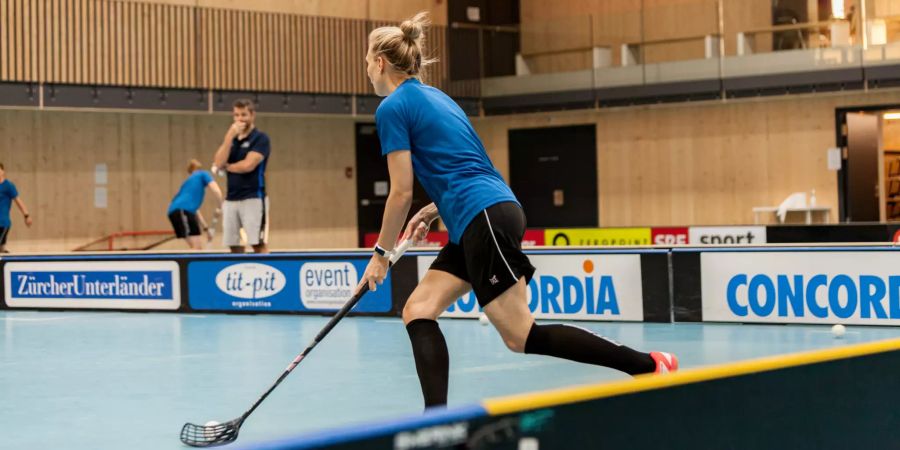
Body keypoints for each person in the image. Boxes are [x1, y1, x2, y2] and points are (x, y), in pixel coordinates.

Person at [359, 12, 678, 410]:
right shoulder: (437, 98)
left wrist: (381, 256)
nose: (366, 67)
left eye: (367, 58)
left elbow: (400, 192)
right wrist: (435, 210)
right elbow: (464, 165)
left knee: (521, 335)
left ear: (381, 62)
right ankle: (435, 419)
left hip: (483, 218)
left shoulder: (392, 108)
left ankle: (648, 365)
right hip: (482, 213)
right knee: (418, 309)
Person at [212, 99, 271, 254]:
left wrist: (228, 167)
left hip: (253, 198)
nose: (240, 119)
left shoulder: (260, 139)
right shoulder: (231, 141)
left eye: (244, 115)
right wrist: (229, 136)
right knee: (233, 244)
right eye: (236, 115)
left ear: (252, 115)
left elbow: (248, 165)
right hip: (231, 199)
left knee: (257, 243)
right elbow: (218, 163)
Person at [167, 159, 224, 250]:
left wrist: (206, 229)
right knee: (196, 248)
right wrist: (221, 205)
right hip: (181, 211)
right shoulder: (203, 174)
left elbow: (195, 211)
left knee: (197, 248)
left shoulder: (187, 183)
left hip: (178, 211)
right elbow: (216, 190)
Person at [0, 163, 32, 253]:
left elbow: (18, 201)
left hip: (2, 223)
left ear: (3, 171)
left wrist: (26, 215)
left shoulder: (8, 186)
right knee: (1, 249)